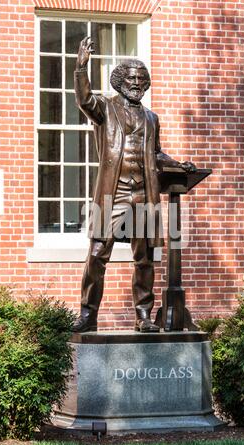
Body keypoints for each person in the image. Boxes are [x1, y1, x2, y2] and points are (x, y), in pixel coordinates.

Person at [72, 37, 196, 333]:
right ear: (119, 81)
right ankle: (88, 314)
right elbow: (84, 99)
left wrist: (179, 165)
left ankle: (143, 316)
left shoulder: (151, 118)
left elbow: (155, 154)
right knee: (97, 253)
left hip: (143, 193)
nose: (137, 83)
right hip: (112, 194)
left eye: (142, 79)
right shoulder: (104, 108)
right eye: (131, 78)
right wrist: (81, 68)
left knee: (145, 259)